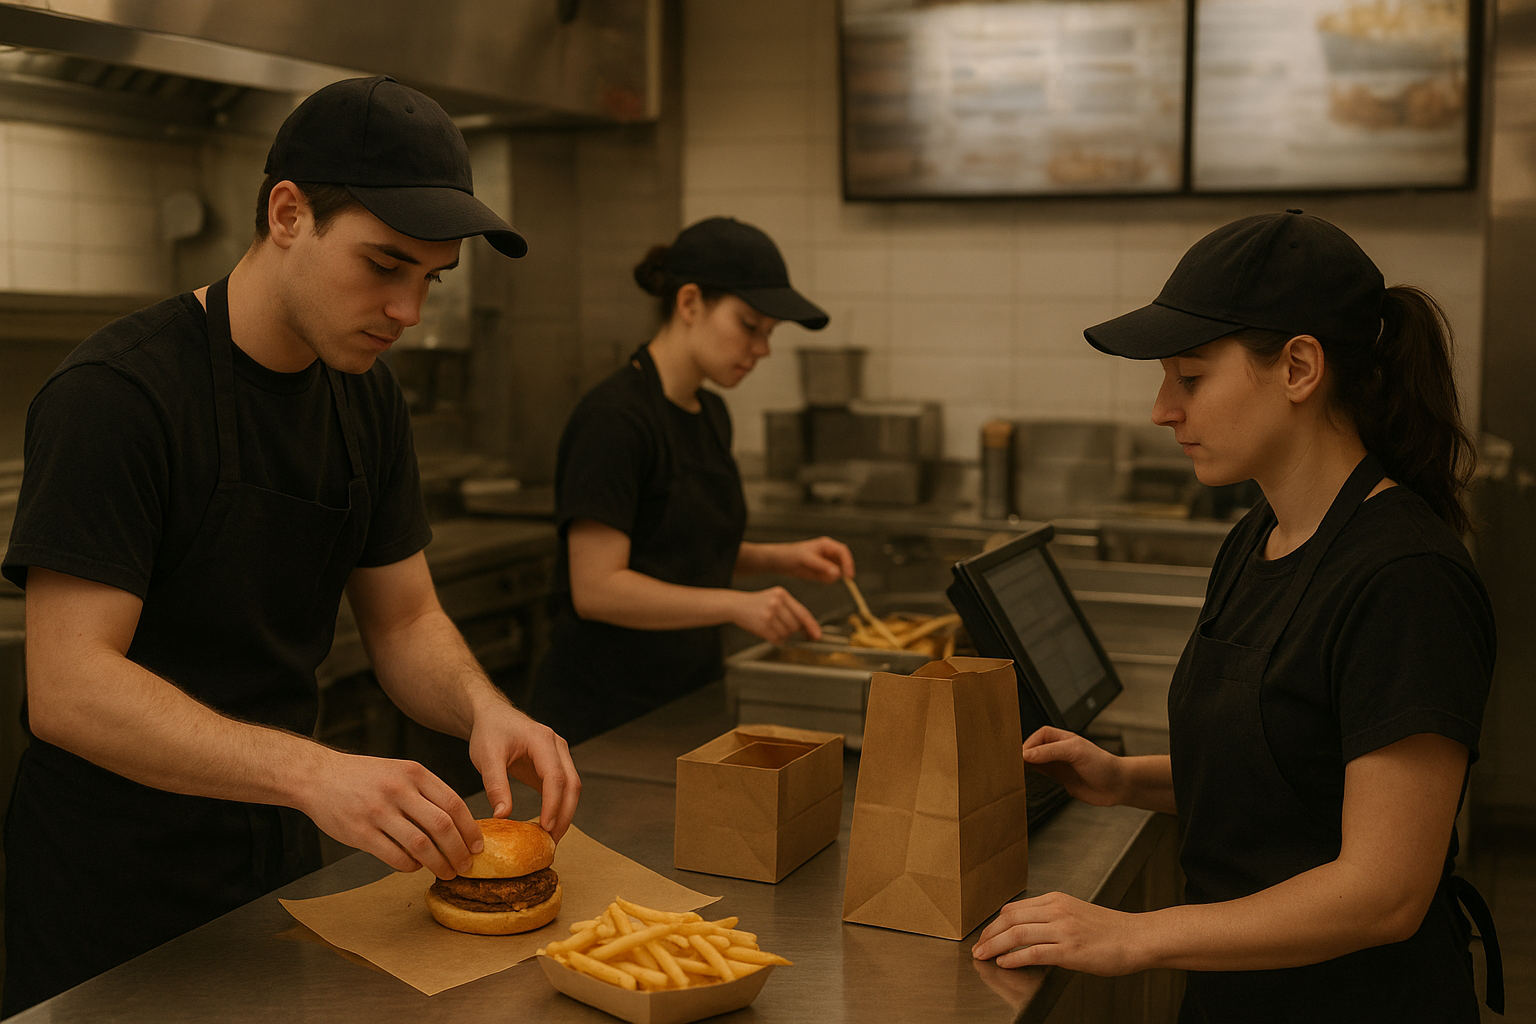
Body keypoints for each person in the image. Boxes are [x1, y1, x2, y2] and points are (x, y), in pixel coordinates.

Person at [0, 76, 580, 1014]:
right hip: (112, 891)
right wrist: (314, 772)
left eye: (429, 280)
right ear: (286, 214)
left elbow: (406, 620)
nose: (408, 312)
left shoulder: (367, 398)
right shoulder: (118, 395)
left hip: (278, 860)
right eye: (384, 266)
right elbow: (69, 688)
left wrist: (484, 708)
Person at [971, 210, 1501, 1022]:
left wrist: (1134, 935)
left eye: (1189, 378)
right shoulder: (1259, 535)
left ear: (1299, 368)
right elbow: (1292, 771)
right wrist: (1123, 780)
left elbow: (1385, 891)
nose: (1162, 409)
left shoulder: (1405, 579)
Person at [528, 217, 856, 745]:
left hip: (686, 698)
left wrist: (780, 557)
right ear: (689, 303)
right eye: (749, 326)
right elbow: (597, 589)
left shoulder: (710, 415)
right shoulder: (614, 419)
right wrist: (736, 604)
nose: (762, 349)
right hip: (604, 718)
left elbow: (678, 546)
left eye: (769, 333)